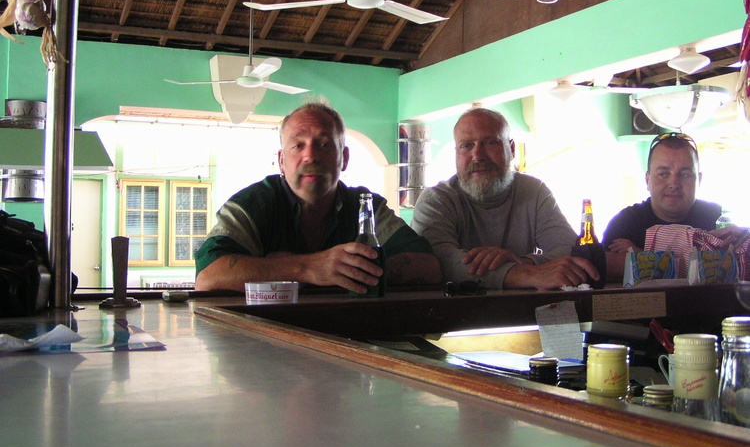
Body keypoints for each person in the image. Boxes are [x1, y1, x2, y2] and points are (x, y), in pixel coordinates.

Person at [195, 100, 441, 293]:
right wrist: (309, 268)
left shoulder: (366, 206)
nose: (310, 156)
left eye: (324, 144)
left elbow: (428, 267)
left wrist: (332, 272)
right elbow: (208, 276)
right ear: (282, 161)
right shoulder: (252, 204)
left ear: (344, 158)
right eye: (298, 145)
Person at [411, 107, 598, 290]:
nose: (478, 155)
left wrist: (521, 260)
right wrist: (529, 274)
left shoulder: (534, 191)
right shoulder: (436, 200)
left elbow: (569, 249)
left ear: (512, 148)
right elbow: (441, 263)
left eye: (490, 142)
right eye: (466, 145)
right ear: (456, 154)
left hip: (522, 315)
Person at [603, 132, 722, 277]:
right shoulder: (625, 223)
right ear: (647, 180)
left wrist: (642, 258)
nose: (674, 184)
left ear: (699, 180)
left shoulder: (718, 220)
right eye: (663, 174)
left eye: (685, 174)